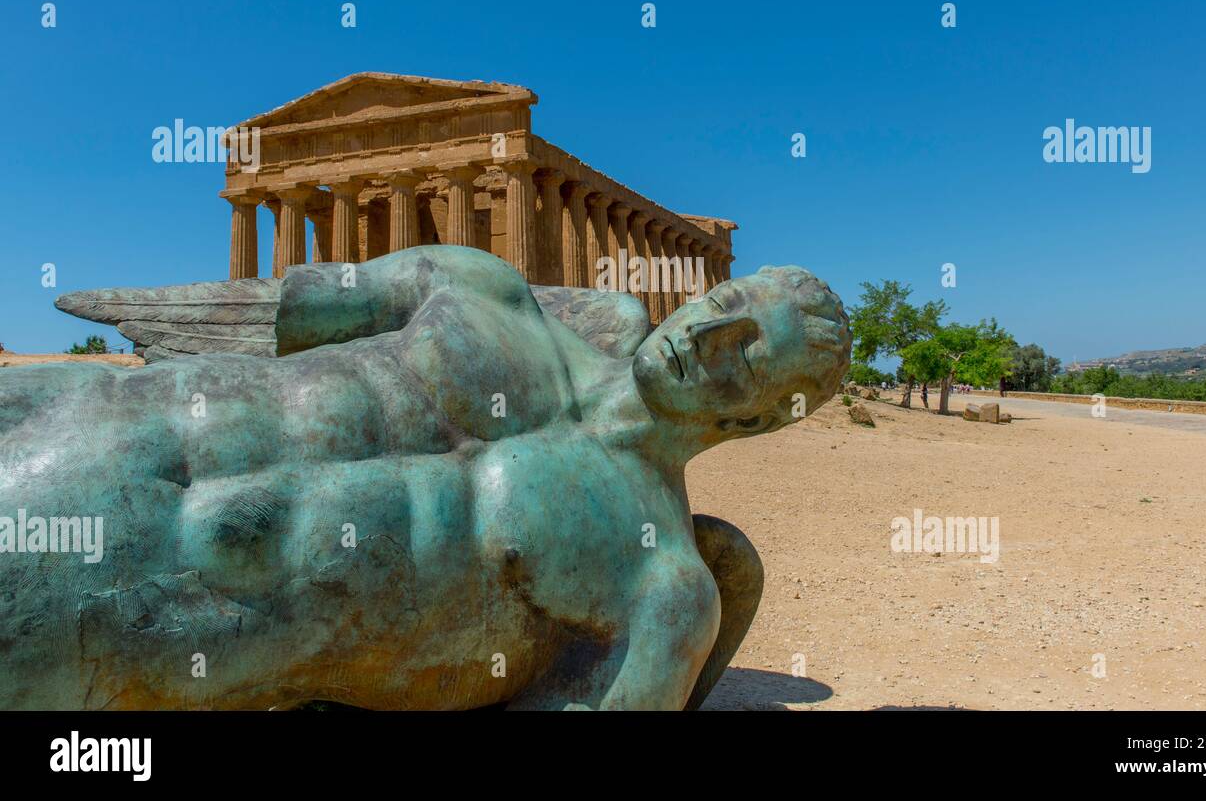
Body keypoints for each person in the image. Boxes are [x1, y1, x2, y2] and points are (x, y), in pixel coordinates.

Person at [1, 245, 850, 711]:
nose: (707, 335)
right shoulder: (488, 289)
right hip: (80, 423)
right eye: (727, 303)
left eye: (746, 356)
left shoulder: (663, 586)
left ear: (760, 419)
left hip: (121, 639)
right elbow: (276, 316)